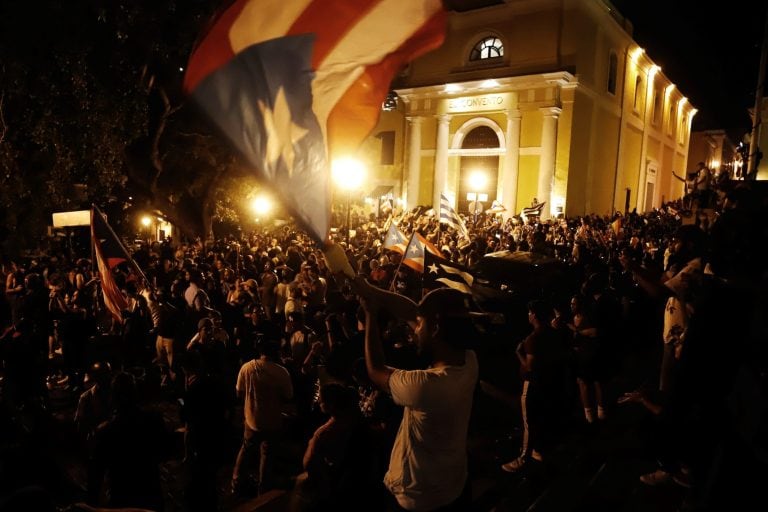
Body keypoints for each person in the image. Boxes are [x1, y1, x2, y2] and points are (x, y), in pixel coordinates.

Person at [359, 282, 478, 512]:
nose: (414, 328)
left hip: (417, 498)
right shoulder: (469, 361)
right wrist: (372, 292)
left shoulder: (425, 386)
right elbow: (411, 311)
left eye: (420, 324)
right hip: (453, 485)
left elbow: (375, 370)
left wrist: (370, 315)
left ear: (434, 329)